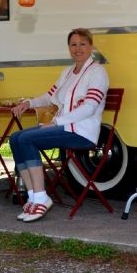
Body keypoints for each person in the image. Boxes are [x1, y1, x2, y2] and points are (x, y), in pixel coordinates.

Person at [9, 28, 109, 222]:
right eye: (73, 44)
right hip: (63, 127)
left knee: (28, 140)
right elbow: (49, 96)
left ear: (91, 46)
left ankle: (41, 197)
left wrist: (56, 121)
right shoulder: (67, 72)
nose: (78, 48)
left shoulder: (98, 72)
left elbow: (89, 107)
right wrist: (28, 103)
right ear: (68, 48)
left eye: (82, 44)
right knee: (15, 138)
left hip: (81, 131)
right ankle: (33, 197)